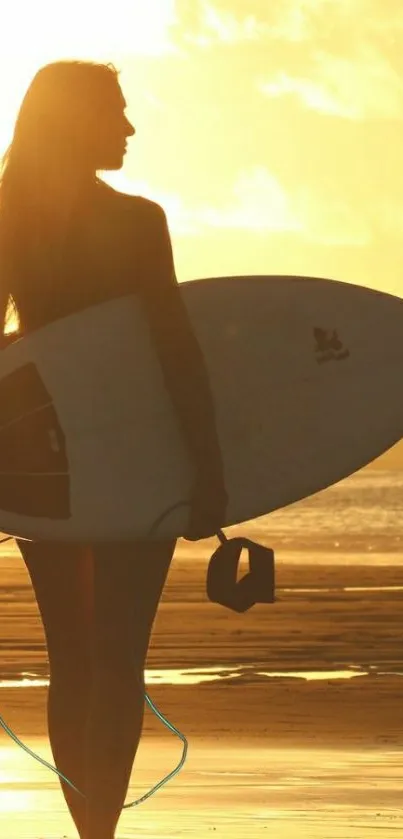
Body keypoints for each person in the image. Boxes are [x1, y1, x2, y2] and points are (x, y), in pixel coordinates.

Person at [0, 60, 227, 839]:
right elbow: (175, 354)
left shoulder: (10, 218)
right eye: (116, 113)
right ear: (76, 120)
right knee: (118, 657)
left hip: (48, 466)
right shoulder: (135, 221)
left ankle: (88, 831)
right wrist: (208, 471)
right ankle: (99, 832)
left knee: (75, 660)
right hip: (136, 465)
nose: (128, 128)